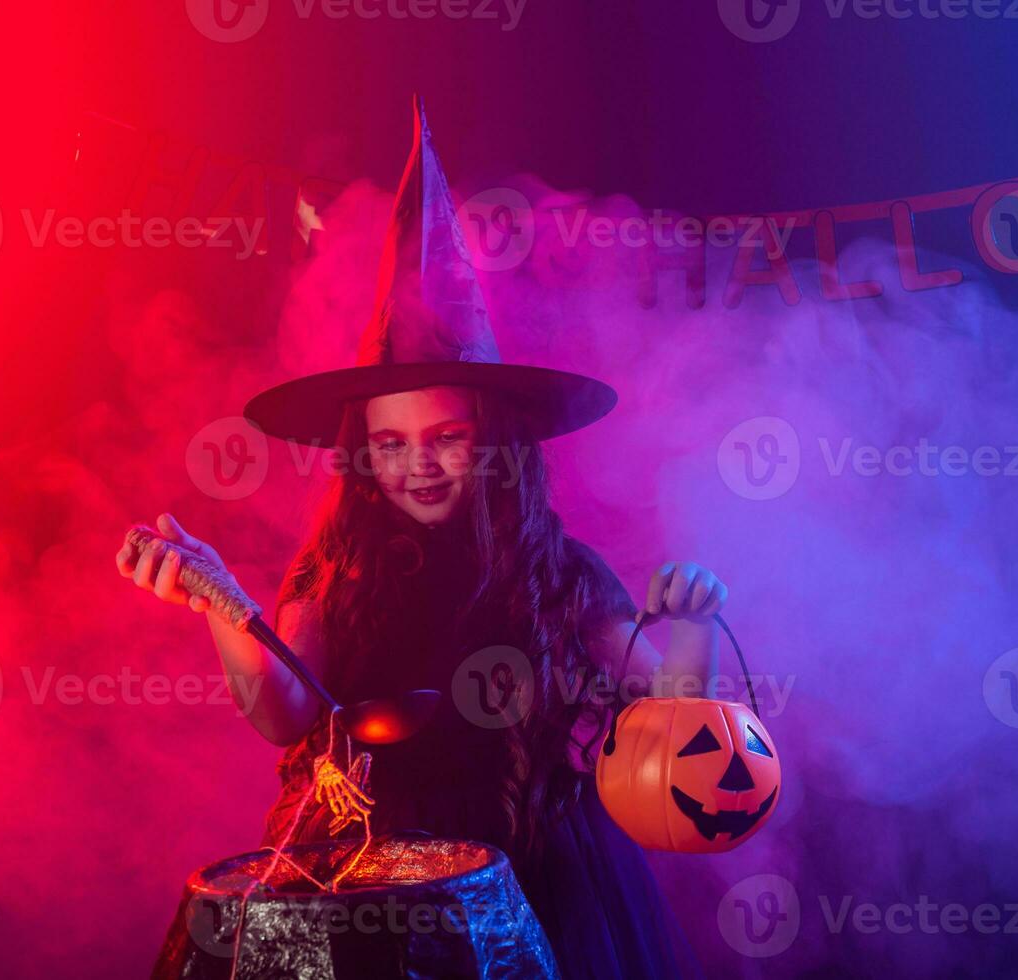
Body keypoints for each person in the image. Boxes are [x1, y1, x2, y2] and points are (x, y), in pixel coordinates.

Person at [116, 100, 724, 978]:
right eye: (392, 445)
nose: (420, 465)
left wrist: (696, 624)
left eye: (447, 438)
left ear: (495, 444)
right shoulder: (337, 568)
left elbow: (672, 733)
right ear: (363, 454)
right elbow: (284, 713)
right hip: (372, 889)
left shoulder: (563, 576)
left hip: (544, 885)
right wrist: (224, 605)